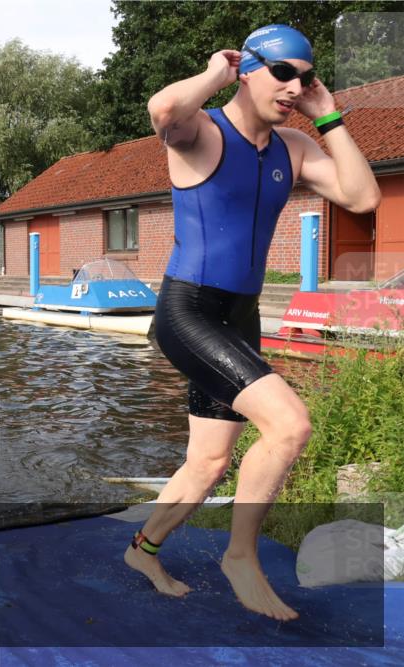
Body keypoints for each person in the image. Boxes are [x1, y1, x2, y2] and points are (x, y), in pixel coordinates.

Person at [132, 25, 381, 622]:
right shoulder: (200, 132)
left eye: (306, 76)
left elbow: (364, 197)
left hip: (239, 316)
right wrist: (219, 72)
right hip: (188, 310)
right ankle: (240, 557)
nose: (294, 86)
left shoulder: (293, 146)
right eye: (282, 72)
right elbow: (163, 108)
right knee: (290, 425)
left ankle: (143, 551)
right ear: (247, 69)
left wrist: (329, 116)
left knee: (209, 461)